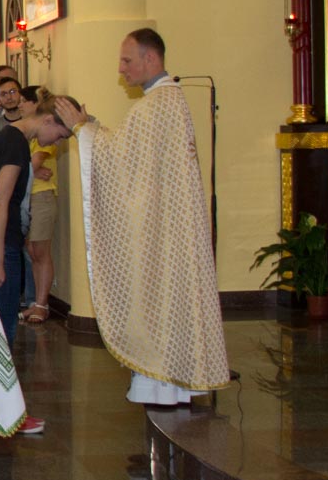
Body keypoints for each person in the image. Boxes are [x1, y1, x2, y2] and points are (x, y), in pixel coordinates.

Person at [54, 29, 231, 407]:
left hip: (163, 232)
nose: (121, 70)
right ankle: (176, 385)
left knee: (157, 300)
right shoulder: (166, 101)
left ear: (151, 59)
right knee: (168, 300)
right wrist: (91, 127)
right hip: (169, 227)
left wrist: (81, 129)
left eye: (127, 61)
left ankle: (163, 386)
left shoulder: (156, 106)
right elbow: (129, 154)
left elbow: (120, 162)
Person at [0, 96, 75, 437]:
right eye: (60, 136)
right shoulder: (16, 143)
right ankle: (6, 415)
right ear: (48, 121)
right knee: (4, 333)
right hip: (0, 245)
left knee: (2, 332)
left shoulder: (11, 139)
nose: (56, 144)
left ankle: (0, 410)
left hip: (1, 244)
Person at [23, 91, 62, 325]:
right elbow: (29, 168)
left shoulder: (45, 137)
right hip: (29, 196)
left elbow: (32, 163)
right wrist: (32, 171)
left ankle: (42, 304)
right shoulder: (31, 135)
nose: (20, 106)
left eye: (23, 102)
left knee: (41, 251)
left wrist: (32, 170)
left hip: (42, 196)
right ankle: (37, 302)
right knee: (32, 251)